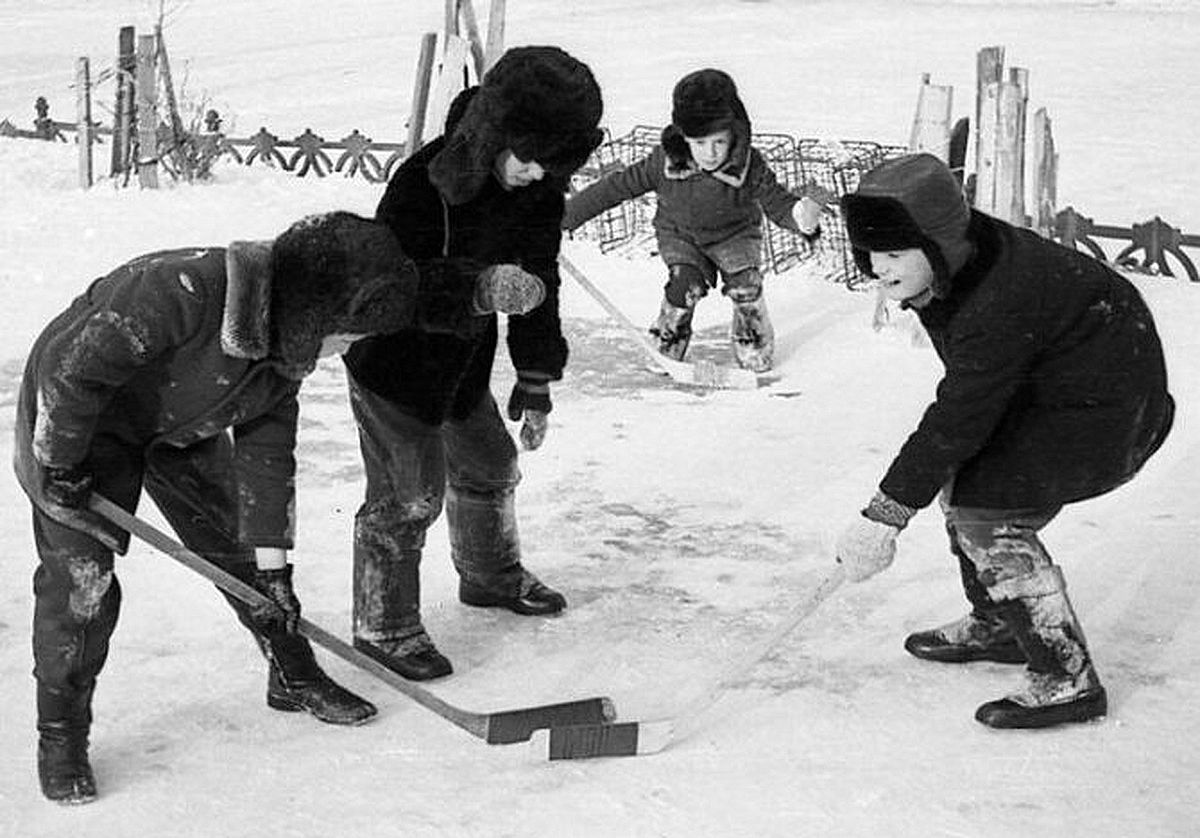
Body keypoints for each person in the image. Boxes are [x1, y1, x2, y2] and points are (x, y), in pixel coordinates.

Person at [15, 210, 545, 805]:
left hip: (183, 428)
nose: (350, 346)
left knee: (239, 551)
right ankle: (60, 733)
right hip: (77, 428)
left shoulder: (283, 355)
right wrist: (60, 462)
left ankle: (293, 673)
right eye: (347, 333)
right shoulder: (177, 291)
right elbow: (72, 372)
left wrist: (277, 572)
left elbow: (267, 466)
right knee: (83, 587)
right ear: (315, 314)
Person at [833, 153, 1175, 729]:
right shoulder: (962, 260)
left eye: (893, 254)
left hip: (1111, 416)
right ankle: (1000, 622)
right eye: (870, 252)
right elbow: (971, 406)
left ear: (936, 244)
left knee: (986, 511)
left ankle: (1066, 675)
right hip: (1056, 392)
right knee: (965, 482)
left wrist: (884, 513)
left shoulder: (996, 297)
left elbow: (960, 413)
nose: (877, 268)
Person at [342, 46, 604, 682]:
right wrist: (478, 288)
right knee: (409, 496)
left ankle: (488, 576)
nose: (539, 174)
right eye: (531, 155)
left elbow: (539, 283)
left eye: (555, 163)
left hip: (460, 366)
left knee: (491, 463)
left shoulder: (537, 196)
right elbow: (384, 285)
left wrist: (537, 378)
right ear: (496, 131)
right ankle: (384, 624)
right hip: (393, 366)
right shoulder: (423, 184)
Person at [561, 68, 828, 372]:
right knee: (684, 285)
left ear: (734, 134)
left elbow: (777, 202)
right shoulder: (664, 163)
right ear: (684, 138)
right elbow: (616, 187)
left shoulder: (749, 165)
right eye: (699, 144)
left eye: (719, 142)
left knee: (745, 285)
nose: (711, 153)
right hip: (681, 235)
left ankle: (751, 334)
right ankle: (669, 335)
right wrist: (567, 217)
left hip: (735, 235)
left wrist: (800, 217)